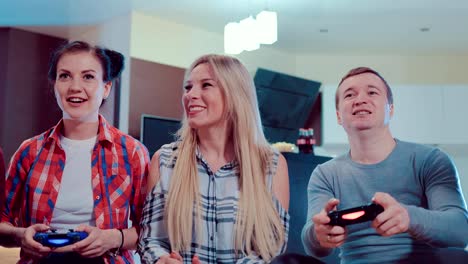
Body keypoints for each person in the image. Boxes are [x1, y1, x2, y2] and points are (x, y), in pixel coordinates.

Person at [0, 40, 149, 264]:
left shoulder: (132, 152)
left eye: (88, 76)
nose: (74, 87)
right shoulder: (28, 151)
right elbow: (3, 223)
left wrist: (113, 238)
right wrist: (20, 235)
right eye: (65, 76)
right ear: (54, 85)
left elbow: (149, 232)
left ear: (106, 87)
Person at [301, 67, 468, 263]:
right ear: (338, 116)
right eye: (349, 94)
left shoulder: (430, 160)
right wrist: (318, 234)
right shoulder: (325, 174)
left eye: (372, 92)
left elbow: (460, 229)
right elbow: (312, 242)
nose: (360, 99)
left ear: (391, 108)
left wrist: (408, 217)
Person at [138, 54, 290, 263]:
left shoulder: (271, 164)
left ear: (235, 95)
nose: (191, 95)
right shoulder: (165, 160)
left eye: (206, 85)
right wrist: (162, 260)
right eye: (188, 87)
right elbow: (150, 240)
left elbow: (273, 249)